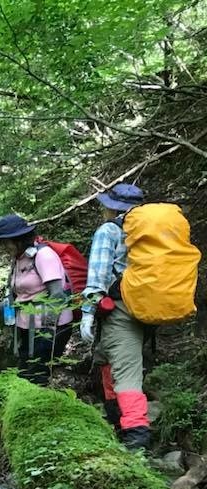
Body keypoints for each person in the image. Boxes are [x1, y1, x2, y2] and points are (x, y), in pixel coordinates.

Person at [79, 183, 150, 450]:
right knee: (107, 362)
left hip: (119, 311)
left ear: (112, 207)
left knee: (126, 374)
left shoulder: (110, 230)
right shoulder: (147, 234)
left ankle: (136, 441)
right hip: (141, 309)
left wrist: (87, 312)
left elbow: (97, 275)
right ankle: (118, 427)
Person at [0, 214, 74, 385]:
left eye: (5, 242)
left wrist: (48, 332)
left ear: (18, 239)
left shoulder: (43, 256)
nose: (3, 247)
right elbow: (18, 298)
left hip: (49, 329)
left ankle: (40, 409)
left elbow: (57, 296)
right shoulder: (18, 260)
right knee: (26, 375)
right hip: (28, 328)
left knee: (37, 376)